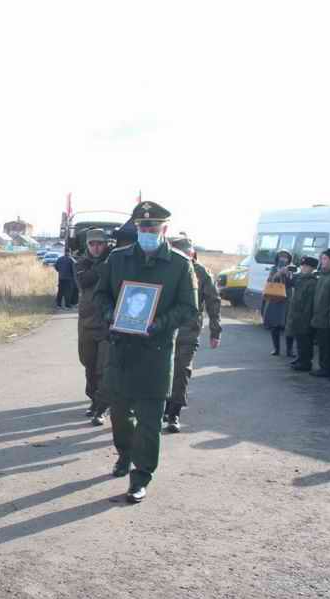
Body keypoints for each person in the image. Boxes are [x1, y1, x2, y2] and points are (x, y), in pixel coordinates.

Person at [93, 201, 198, 503]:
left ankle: (141, 476)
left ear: (165, 228)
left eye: (152, 227)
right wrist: (111, 314)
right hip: (121, 349)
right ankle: (124, 454)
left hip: (155, 351)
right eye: (142, 227)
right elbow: (101, 295)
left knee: (150, 422)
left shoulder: (180, 264)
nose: (147, 231)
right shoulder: (118, 259)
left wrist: (158, 324)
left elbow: (188, 308)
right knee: (121, 416)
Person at [166, 234, 221, 433]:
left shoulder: (201, 273)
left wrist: (215, 331)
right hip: (164, 330)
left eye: (186, 253)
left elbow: (213, 302)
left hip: (188, 331)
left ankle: (174, 412)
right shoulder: (165, 269)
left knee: (182, 370)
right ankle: (163, 406)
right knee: (162, 370)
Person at [75, 229, 112, 425]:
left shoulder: (114, 261)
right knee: (88, 363)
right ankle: (93, 400)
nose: (96, 247)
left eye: (100, 244)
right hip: (87, 322)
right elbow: (84, 280)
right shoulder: (82, 263)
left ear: (106, 244)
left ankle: (102, 406)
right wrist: (102, 265)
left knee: (103, 368)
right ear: (87, 245)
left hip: (106, 324)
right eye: (92, 244)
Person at [310, 249, 330, 377]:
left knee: (328, 344)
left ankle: (328, 368)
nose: (322, 261)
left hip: (327, 316)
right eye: (321, 258)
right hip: (319, 315)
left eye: (325, 259)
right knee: (322, 343)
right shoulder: (323, 275)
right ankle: (323, 366)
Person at [285, 256, 319, 372]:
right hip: (296, 312)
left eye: (306, 266)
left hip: (304, 315)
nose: (303, 268)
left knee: (305, 341)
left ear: (312, 268)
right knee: (299, 339)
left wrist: (305, 317)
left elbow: (309, 303)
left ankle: (305, 362)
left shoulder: (312, 282)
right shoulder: (300, 279)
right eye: (302, 266)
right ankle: (300, 358)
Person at [262, 250, 294, 357]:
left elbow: (292, 284)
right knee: (274, 325)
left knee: (289, 326)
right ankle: (276, 349)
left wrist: (287, 274)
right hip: (274, 299)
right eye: (281, 257)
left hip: (287, 300)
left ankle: (289, 351)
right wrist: (279, 273)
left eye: (285, 257)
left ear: (289, 259)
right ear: (277, 258)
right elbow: (269, 281)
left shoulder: (292, 269)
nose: (283, 259)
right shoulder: (273, 269)